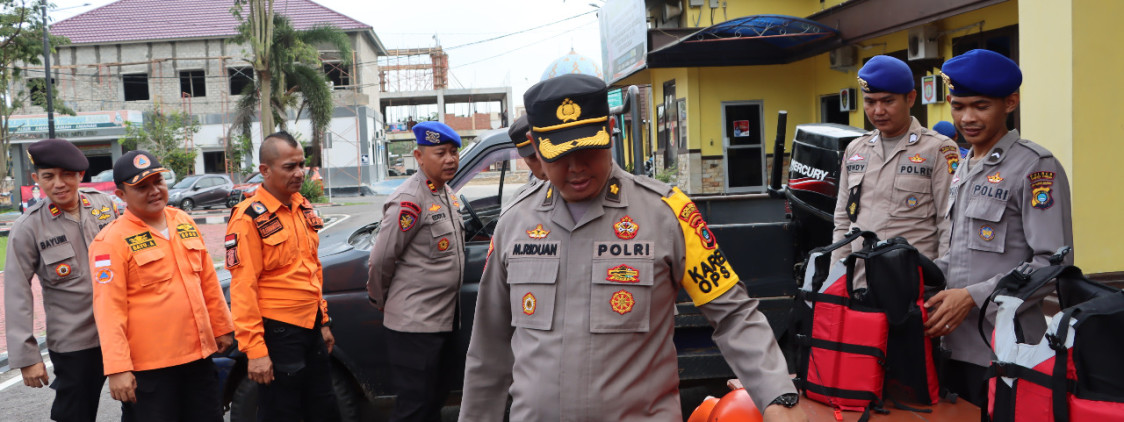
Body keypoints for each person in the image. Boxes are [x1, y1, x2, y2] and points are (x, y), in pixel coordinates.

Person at [458, 73, 805, 421]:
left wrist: (778, 396)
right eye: (560, 154)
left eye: (588, 148)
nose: (576, 167)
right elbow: (489, 349)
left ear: (609, 130)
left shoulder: (667, 213)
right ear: (534, 144)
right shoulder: (515, 223)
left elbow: (734, 315)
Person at [924, 49, 1073, 406]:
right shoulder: (965, 166)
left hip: (1005, 350)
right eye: (958, 107)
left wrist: (973, 296)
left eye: (980, 106)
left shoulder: (1035, 167)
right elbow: (959, 255)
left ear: (1010, 102)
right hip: (952, 345)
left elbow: (1052, 263)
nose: (967, 118)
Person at [88, 150, 234, 421]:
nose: (154, 191)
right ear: (121, 196)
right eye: (142, 187)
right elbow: (108, 311)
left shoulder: (183, 221)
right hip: (151, 372)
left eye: (158, 182)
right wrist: (117, 368)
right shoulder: (110, 241)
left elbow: (207, 282)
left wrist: (222, 326)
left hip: (199, 360)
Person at [226, 131, 339, 421]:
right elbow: (243, 288)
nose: (299, 173)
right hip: (278, 332)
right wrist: (255, 351)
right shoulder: (247, 218)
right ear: (265, 170)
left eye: (302, 164)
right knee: (283, 412)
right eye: (290, 167)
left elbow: (312, 269)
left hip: (310, 326)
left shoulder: (301, 206)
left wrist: (323, 321)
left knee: (324, 408)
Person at [4, 138, 117, 422]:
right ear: (35, 179)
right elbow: (17, 293)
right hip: (75, 343)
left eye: (67, 174)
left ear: (80, 175)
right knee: (75, 414)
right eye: (48, 177)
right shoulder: (28, 227)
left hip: (123, 332)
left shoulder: (104, 205)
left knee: (144, 406)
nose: (59, 184)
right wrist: (27, 355)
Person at [367, 121, 465, 422]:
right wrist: (381, 300)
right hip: (414, 327)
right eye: (441, 153)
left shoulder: (446, 193)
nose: (450, 159)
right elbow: (381, 259)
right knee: (415, 408)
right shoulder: (410, 200)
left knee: (434, 401)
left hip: (441, 322)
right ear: (419, 156)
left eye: (453, 152)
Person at [832, 55, 960, 268]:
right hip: (859, 283)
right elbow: (843, 222)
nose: (878, 111)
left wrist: (942, 282)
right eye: (870, 102)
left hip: (913, 284)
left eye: (888, 101)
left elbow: (949, 224)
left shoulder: (939, 149)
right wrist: (834, 280)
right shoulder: (856, 150)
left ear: (910, 98)